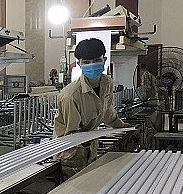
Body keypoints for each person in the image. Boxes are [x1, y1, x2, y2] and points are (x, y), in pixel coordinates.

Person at [53, 38, 130, 177]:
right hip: (71, 157)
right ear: (79, 64)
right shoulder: (70, 96)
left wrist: (122, 126)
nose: (92, 65)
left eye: (96, 60)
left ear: (104, 59)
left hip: (91, 151)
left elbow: (107, 111)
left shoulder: (107, 83)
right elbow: (71, 133)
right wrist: (86, 140)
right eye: (86, 62)